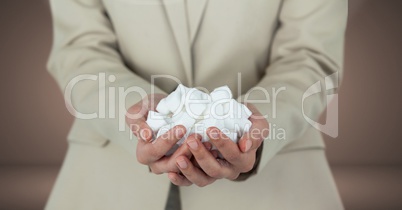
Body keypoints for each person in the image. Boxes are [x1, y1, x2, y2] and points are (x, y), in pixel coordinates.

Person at [45, 0, 347, 209]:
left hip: (278, 184)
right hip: (108, 180)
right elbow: (79, 47)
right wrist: (140, 114)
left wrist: (251, 125)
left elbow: (311, 55)